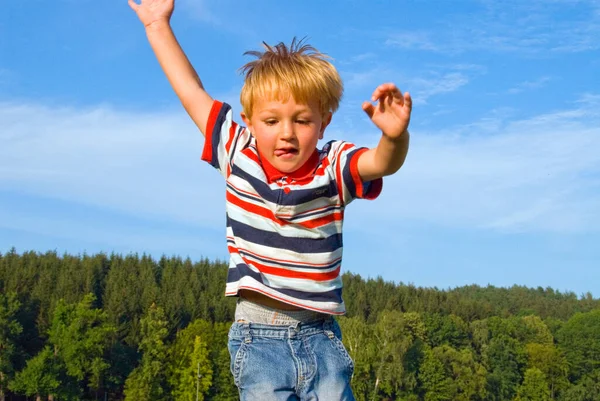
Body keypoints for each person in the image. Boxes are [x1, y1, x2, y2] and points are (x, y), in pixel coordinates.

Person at [129, 0, 412, 399]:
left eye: (302, 120)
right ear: (248, 120)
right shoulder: (235, 149)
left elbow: (381, 163)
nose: (287, 134)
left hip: (321, 336)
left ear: (323, 121)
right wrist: (157, 25)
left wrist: (394, 137)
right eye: (272, 120)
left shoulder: (332, 166)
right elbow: (190, 91)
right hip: (257, 337)